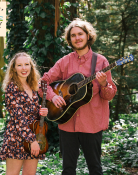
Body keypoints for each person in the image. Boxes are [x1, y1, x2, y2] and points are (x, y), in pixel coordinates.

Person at [38, 18, 117, 175]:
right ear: (69, 39)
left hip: (92, 123)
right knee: (68, 169)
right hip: (67, 122)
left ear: (88, 36)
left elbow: (109, 95)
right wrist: (52, 97)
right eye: (73, 35)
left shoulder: (101, 61)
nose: (77, 38)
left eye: (80, 34)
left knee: (95, 168)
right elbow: (42, 83)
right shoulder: (64, 62)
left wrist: (103, 84)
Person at [0, 52, 48, 175]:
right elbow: (19, 118)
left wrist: (42, 111)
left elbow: (33, 112)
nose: (24, 68)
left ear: (31, 67)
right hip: (16, 138)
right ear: (14, 68)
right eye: (19, 65)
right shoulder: (12, 88)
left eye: (26, 64)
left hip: (33, 134)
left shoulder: (32, 86)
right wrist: (32, 141)